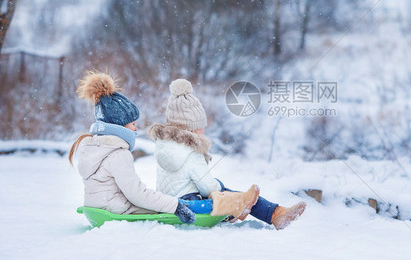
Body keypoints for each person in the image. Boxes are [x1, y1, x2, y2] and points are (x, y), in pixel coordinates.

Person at [68, 71, 258, 224]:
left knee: (166, 199)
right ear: (118, 126)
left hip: (98, 208)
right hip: (116, 208)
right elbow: (137, 195)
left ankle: (236, 206)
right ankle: (234, 205)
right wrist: (175, 206)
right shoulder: (118, 155)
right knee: (193, 204)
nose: (136, 128)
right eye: (132, 124)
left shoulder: (94, 148)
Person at [149, 78, 307, 230]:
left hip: (169, 202)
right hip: (193, 204)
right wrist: (220, 188)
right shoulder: (191, 150)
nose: (203, 131)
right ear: (191, 128)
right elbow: (207, 187)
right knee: (231, 194)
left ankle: (269, 211)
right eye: (199, 127)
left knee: (232, 193)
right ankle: (274, 214)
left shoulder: (164, 145)